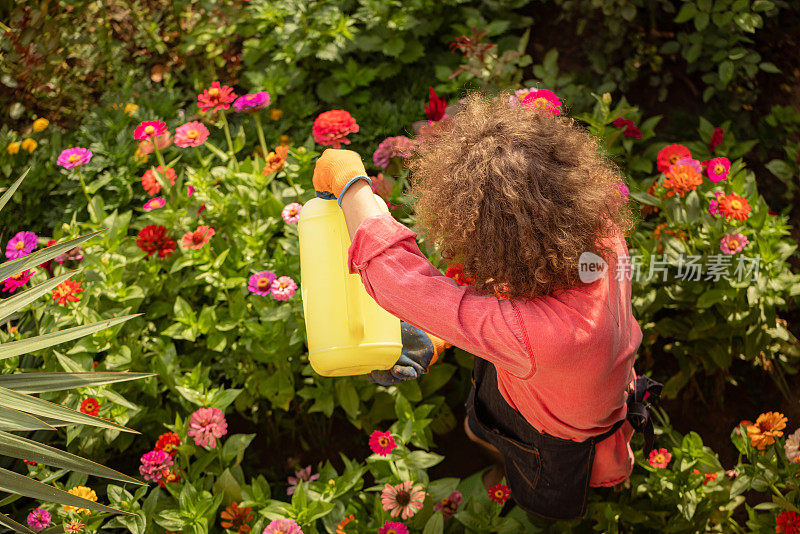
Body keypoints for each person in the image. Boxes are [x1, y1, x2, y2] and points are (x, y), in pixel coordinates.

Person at [311, 92, 660, 520]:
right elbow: (517, 295)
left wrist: (350, 183)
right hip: (568, 379)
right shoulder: (598, 234)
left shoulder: (540, 337)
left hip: (553, 433)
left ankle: (520, 495)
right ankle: (496, 455)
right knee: (482, 422)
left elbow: (396, 277)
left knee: (534, 485)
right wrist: (443, 334)